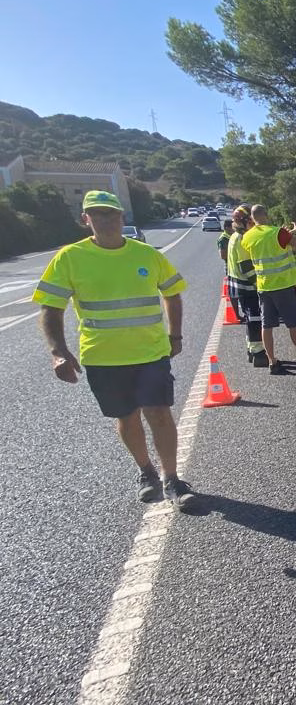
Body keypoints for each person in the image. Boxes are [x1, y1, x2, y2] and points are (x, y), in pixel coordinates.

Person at [32, 190, 195, 511]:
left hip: (151, 352)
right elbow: (51, 308)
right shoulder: (69, 257)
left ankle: (173, 479)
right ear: (86, 219)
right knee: (127, 417)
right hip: (103, 358)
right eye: (98, 214)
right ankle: (146, 472)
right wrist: (58, 351)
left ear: (122, 217)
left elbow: (173, 293)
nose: (106, 219)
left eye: (111, 213)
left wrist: (175, 336)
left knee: (159, 412)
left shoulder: (147, 254)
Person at [240, 204, 296, 375]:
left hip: (264, 286)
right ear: (266, 213)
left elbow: (269, 245)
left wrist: (287, 234)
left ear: (252, 217)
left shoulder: (247, 237)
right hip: (284, 285)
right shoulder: (278, 232)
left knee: (267, 325)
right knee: (293, 324)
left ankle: (273, 362)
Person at [227, 206, 269, 367]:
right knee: (255, 318)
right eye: (251, 221)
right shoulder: (241, 239)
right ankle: (258, 352)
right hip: (247, 286)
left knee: (250, 318)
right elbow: (246, 265)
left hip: (238, 285)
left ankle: (251, 349)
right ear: (244, 221)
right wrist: (260, 285)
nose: (253, 224)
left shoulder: (234, 236)